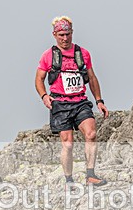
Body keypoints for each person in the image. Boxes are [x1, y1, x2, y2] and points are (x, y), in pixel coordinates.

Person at [35, 16, 109, 187]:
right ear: (54, 34)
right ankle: (69, 179)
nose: (65, 38)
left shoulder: (83, 54)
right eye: (61, 34)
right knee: (67, 144)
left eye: (67, 34)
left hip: (80, 102)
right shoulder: (48, 56)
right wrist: (44, 96)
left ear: (72, 33)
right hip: (60, 103)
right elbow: (39, 79)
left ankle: (90, 175)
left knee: (91, 134)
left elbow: (91, 77)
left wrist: (99, 100)